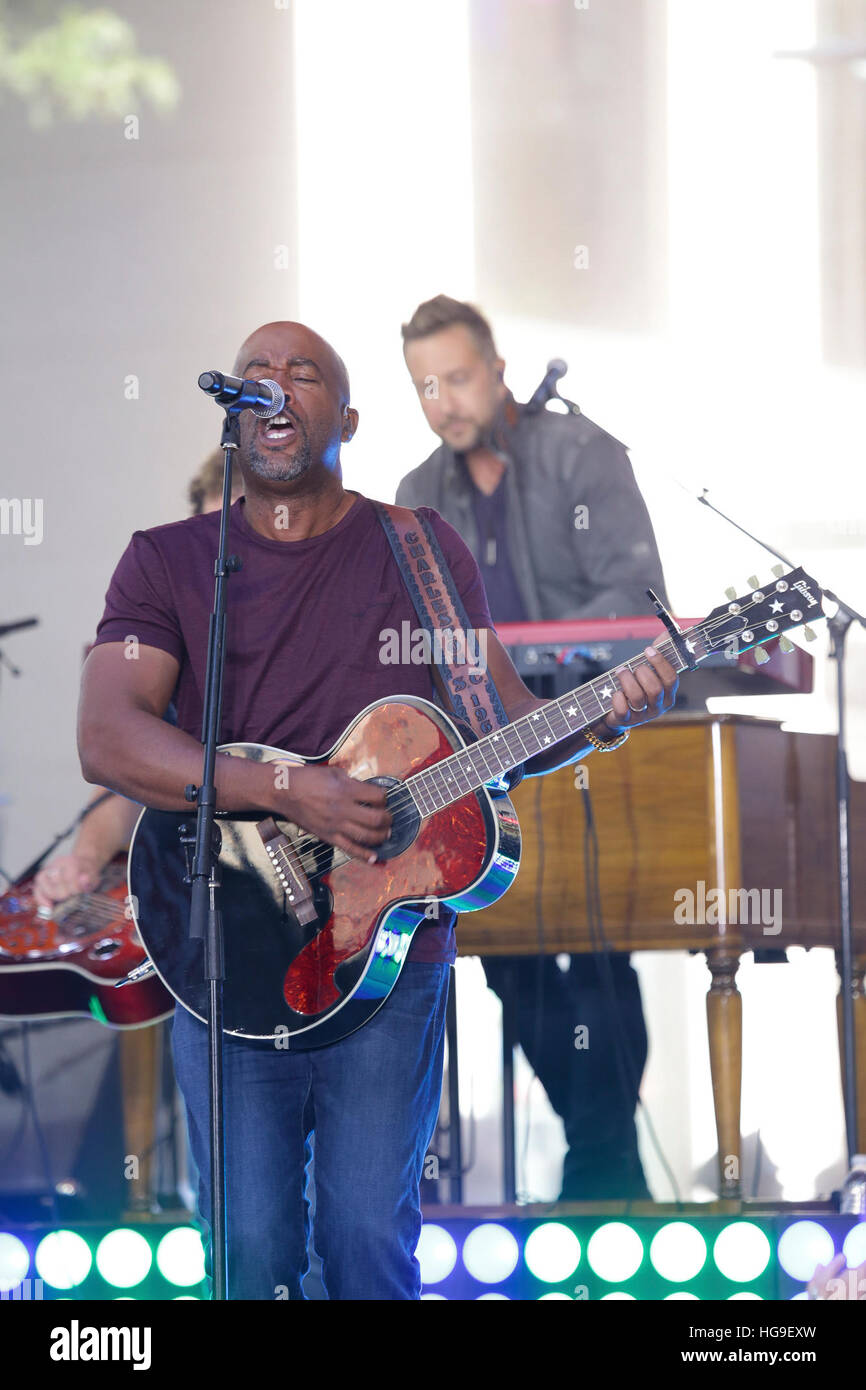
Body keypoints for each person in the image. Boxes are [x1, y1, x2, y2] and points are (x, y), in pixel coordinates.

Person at [77, 319, 678, 1299]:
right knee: (252, 1249)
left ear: (346, 418)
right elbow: (109, 736)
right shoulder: (166, 561)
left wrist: (602, 713)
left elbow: (498, 724)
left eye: (302, 373)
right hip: (221, 945)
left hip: (387, 962)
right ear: (233, 412)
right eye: (255, 374)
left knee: (367, 1246)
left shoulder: (421, 550)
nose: (275, 385)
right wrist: (287, 788)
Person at [397, 294, 667, 1201]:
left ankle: (601, 1159)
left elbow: (635, 600)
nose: (445, 400)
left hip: (601, 740)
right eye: (426, 385)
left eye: (459, 376)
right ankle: (604, 1156)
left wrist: (506, 650)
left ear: (499, 370)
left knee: (601, 947)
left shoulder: (581, 453)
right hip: (485, 764)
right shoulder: (414, 497)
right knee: (511, 952)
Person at [33, 451, 242, 910]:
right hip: (193, 898)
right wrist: (84, 861)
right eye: (213, 533)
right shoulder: (173, 630)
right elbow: (125, 779)